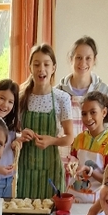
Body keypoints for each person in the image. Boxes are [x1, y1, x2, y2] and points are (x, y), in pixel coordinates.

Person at [16, 44, 73, 199]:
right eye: (36, 64)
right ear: (30, 67)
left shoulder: (62, 98)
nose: (41, 69)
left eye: (46, 64)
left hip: (51, 169)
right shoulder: (20, 97)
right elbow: (11, 133)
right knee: (24, 209)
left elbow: (69, 137)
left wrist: (52, 141)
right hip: (25, 170)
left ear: (53, 68)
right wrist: (21, 135)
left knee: (52, 211)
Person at [66, 92, 108, 203]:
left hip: (97, 203)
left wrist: (89, 170)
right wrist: (71, 164)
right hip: (73, 199)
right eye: (84, 114)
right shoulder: (80, 138)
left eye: (93, 112)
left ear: (104, 112)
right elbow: (73, 160)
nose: (88, 118)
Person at [58, 36, 108, 140]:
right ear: (71, 59)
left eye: (88, 58)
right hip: (64, 149)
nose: (83, 63)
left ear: (94, 60)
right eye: (78, 57)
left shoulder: (104, 90)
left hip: (94, 148)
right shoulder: (58, 91)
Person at [0, 79, 22, 199]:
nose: (5, 105)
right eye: (2, 98)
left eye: (10, 102)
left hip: (9, 183)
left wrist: (19, 140)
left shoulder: (11, 128)